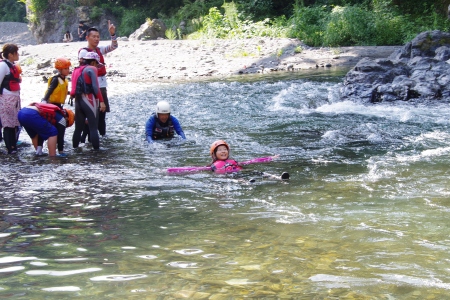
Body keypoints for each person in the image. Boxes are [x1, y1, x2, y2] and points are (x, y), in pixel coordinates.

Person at [78, 21, 118, 138]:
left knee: (102, 113)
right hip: (90, 87)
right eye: (93, 37)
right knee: (92, 114)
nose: (96, 39)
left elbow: (113, 46)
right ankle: (89, 137)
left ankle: (102, 137)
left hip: (102, 85)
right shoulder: (84, 52)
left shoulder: (99, 49)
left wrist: (112, 34)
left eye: (98, 37)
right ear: (87, 37)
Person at [70, 52, 106, 150]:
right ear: (93, 62)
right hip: (89, 99)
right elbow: (95, 87)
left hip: (77, 100)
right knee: (93, 128)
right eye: (97, 64)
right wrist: (101, 101)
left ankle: (75, 150)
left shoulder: (76, 69)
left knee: (78, 128)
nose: (97, 67)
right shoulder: (92, 68)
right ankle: (97, 153)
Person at [41, 58, 72, 154]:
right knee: (62, 123)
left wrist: (72, 93)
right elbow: (50, 90)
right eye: (66, 68)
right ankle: (60, 150)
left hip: (58, 106)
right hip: (52, 106)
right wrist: (44, 100)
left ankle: (59, 147)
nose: (68, 70)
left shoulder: (64, 79)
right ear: (60, 69)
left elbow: (62, 91)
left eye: (68, 68)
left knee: (61, 124)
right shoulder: (55, 79)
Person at [0, 43, 21, 154]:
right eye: (16, 53)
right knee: (8, 124)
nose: (18, 55)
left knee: (13, 124)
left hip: (14, 99)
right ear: (10, 55)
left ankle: (13, 146)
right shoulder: (3, 66)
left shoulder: (12, 65)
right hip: (6, 99)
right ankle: (10, 148)